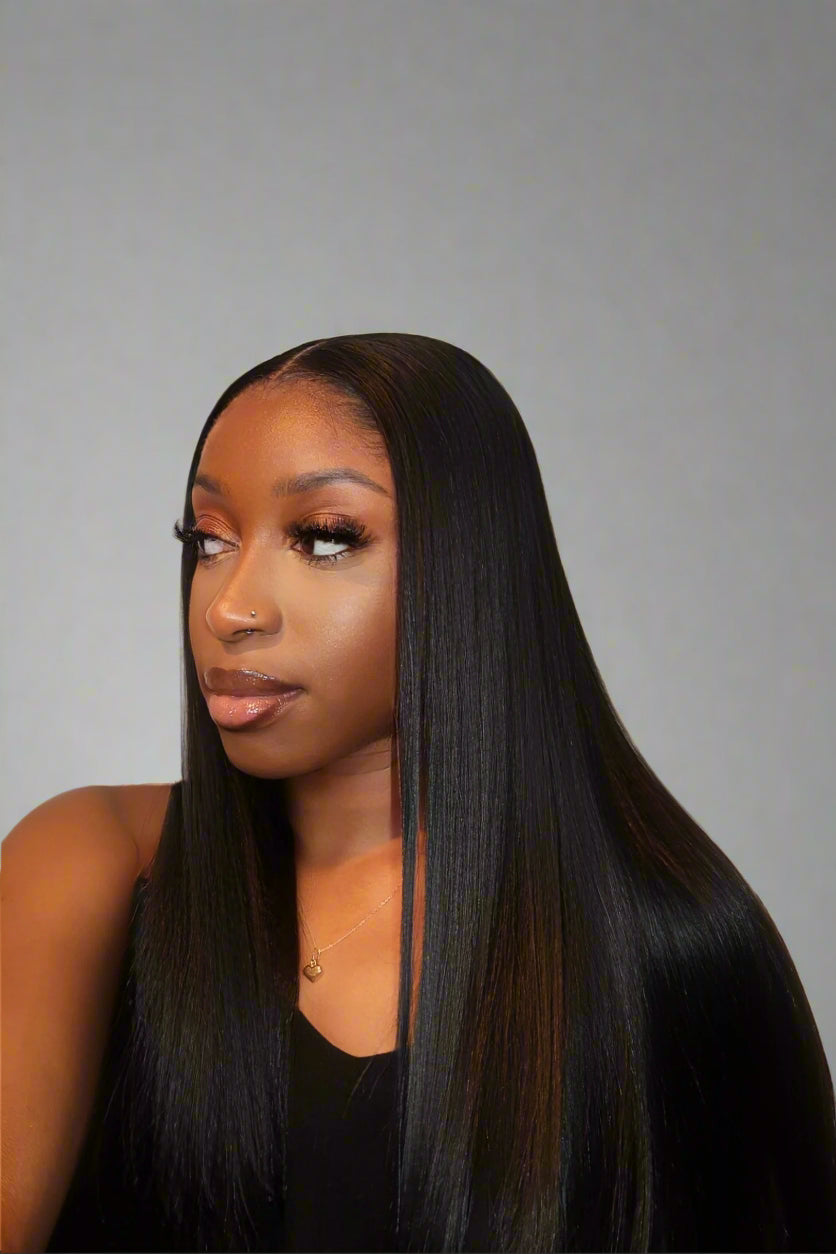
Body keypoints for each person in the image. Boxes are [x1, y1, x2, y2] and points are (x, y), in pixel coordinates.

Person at [2, 332, 834, 1252]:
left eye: (323, 539)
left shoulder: (675, 942)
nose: (228, 607)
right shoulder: (96, 864)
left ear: (469, 563)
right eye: (208, 540)